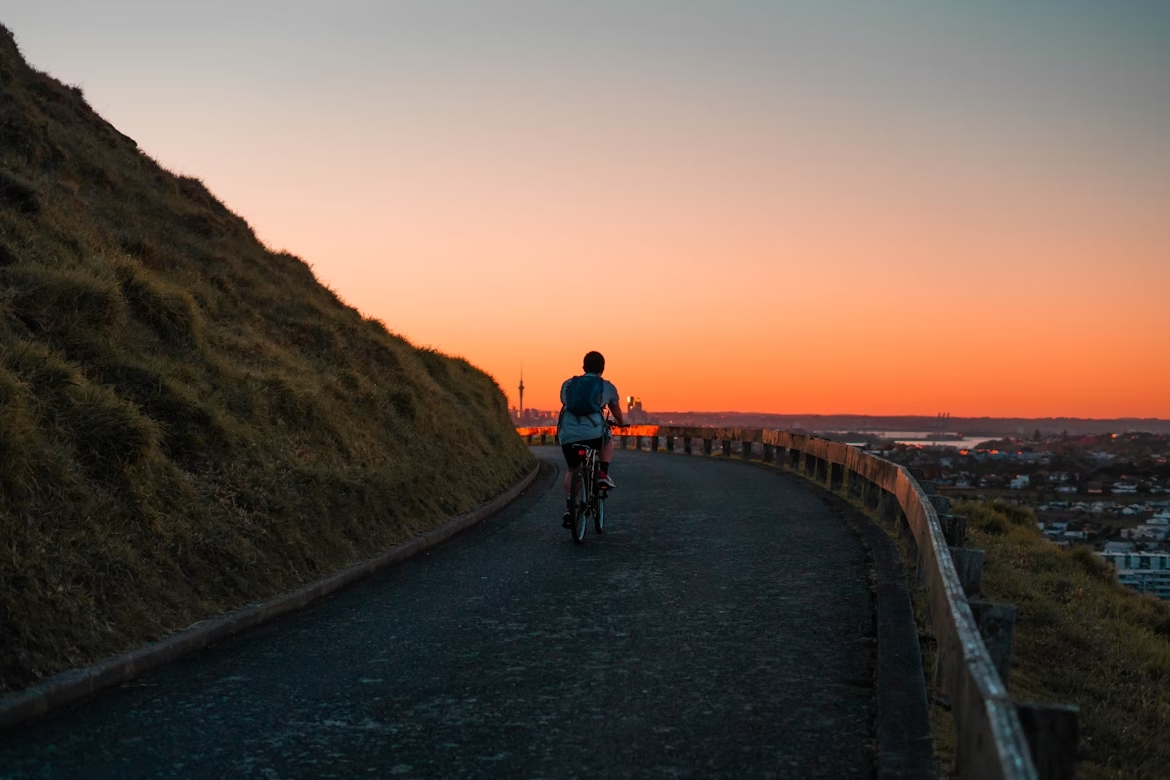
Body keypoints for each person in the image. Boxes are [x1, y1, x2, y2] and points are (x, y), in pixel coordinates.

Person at [557, 351, 625, 528]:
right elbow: (616, 411)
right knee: (607, 438)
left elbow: (565, 403)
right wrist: (621, 423)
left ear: (583, 367)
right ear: (602, 368)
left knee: (572, 469)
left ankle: (570, 507)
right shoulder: (607, 386)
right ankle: (603, 472)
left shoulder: (568, 384)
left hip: (568, 433)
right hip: (593, 433)